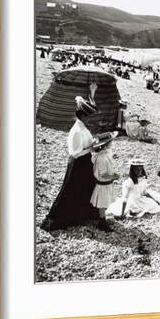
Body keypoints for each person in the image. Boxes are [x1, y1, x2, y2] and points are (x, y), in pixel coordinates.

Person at [41, 97, 98, 232]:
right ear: (83, 115)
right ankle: (55, 220)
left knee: (84, 189)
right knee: (70, 191)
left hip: (84, 162)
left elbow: (86, 145)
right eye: (89, 116)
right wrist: (92, 148)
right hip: (77, 164)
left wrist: (94, 143)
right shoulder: (77, 130)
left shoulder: (82, 127)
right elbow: (75, 152)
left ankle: (80, 216)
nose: (90, 119)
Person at [90, 131, 119, 231]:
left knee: (106, 202)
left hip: (107, 184)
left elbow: (109, 159)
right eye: (111, 142)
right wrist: (113, 177)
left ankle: (103, 219)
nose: (112, 143)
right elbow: (102, 174)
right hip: (103, 185)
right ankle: (102, 223)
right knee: (102, 204)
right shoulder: (101, 158)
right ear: (106, 144)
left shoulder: (106, 153)